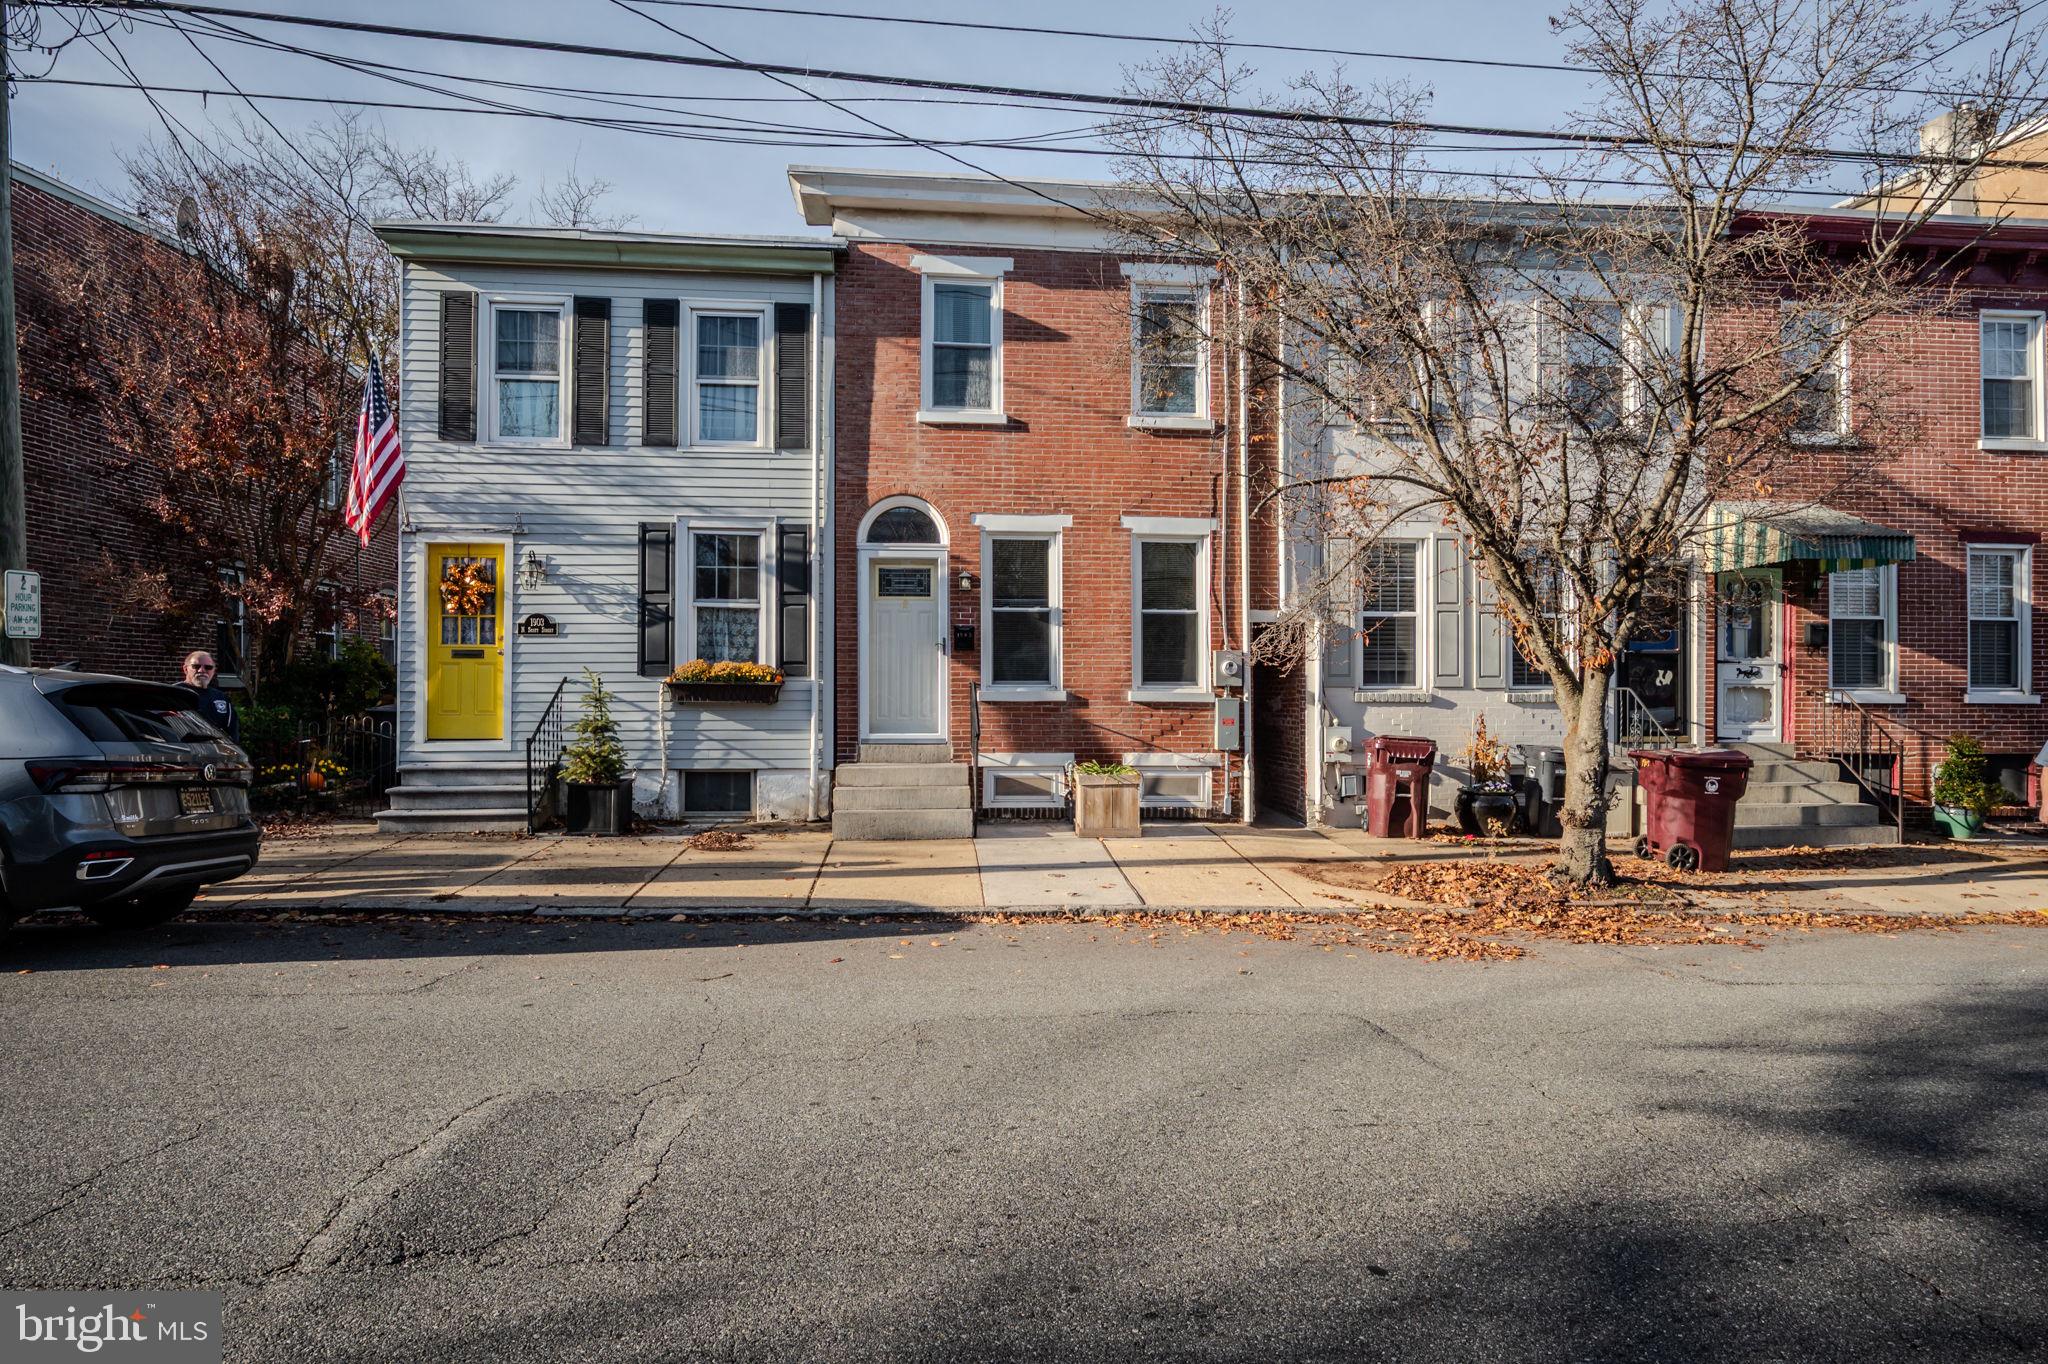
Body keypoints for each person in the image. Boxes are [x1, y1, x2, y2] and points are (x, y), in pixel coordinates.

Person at [175, 650, 241, 744]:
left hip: (216, 753)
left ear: (213, 671)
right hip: (184, 753)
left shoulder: (221, 697)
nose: (202, 670)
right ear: (185, 669)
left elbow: (232, 732)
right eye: (196, 666)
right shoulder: (174, 693)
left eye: (208, 667)